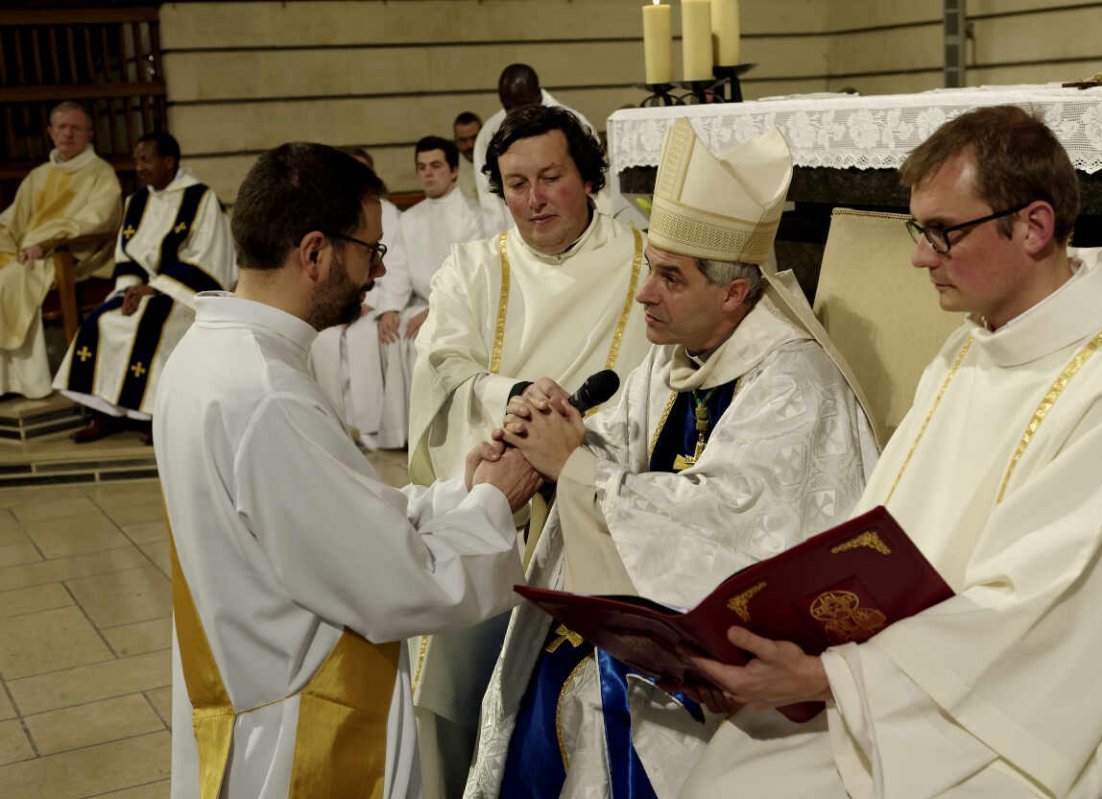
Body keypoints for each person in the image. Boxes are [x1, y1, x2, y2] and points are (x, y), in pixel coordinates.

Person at [680, 105, 1102, 797]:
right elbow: (879, 538)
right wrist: (793, 646)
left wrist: (830, 678)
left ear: (1035, 226)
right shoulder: (968, 348)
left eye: (943, 233)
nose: (920, 256)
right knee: (728, 765)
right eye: (918, 229)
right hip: (914, 678)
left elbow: (1053, 614)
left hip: (1033, 717)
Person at [465, 118, 880, 799]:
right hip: (651, 615)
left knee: (590, 697)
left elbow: (728, 528)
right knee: (540, 662)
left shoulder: (793, 386)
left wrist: (577, 467)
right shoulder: (677, 360)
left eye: (669, 277)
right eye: (650, 268)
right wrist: (553, 446)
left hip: (752, 670)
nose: (644, 293)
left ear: (734, 293)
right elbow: (622, 453)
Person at [154, 141, 542, 798]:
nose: (375, 270)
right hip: (301, 728)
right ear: (314, 253)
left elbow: (330, 522)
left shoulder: (207, 354)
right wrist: (493, 506)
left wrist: (457, 493)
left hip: (247, 681)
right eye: (370, 249)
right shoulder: (265, 394)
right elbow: (398, 584)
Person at [408, 104, 651, 798]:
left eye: (551, 177)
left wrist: (565, 446)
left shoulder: (643, 265)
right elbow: (440, 370)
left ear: (589, 178)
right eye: (516, 183)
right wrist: (515, 399)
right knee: (450, 686)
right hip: (495, 493)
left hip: (591, 508)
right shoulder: (474, 266)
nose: (534, 199)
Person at [53, 131, 236, 443]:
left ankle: (156, 417)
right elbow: (125, 254)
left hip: (185, 293)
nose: (139, 167)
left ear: (169, 162)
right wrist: (129, 289)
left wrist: (156, 289)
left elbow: (210, 258)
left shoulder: (200, 198)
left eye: (146, 159)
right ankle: (106, 413)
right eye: (136, 160)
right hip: (140, 290)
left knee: (150, 328)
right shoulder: (136, 201)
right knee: (102, 322)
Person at [312, 139, 478, 449]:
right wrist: (388, 308)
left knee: (413, 339)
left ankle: (424, 437)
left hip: (453, 306)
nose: (427, 174)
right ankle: (372, 431)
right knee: (387, 332)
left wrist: (434, 309)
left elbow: (471, 275)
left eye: (436, 166)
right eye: (422, 168)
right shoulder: (412, 217)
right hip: (411, 303)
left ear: (454, 171)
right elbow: (397, 266)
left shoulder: (474, 215)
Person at [0, 101, 121, 398]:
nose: (68, 134)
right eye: (62, 128)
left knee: (8, 281)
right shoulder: (38, 175)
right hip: (28, 253)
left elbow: (98, 219)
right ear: (50, 133)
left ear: (89, 134)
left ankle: (28, 382)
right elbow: (12, 220)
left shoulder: (100, 174)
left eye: (76, 128)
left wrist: (46, 242)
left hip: (68, 257)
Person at [471, 64, 595, 236]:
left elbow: (594, 185)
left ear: (537, 94)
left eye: (551, 177)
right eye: (509, 108)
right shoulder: (489, 133)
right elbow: (490, 201)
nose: (515, 114)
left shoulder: (572, 125)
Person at [454, 112, 483, 203]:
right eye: (463, 140)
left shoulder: (498, 161)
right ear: (456, 140)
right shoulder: (450, 169)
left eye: (474, 138)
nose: (469, 145)